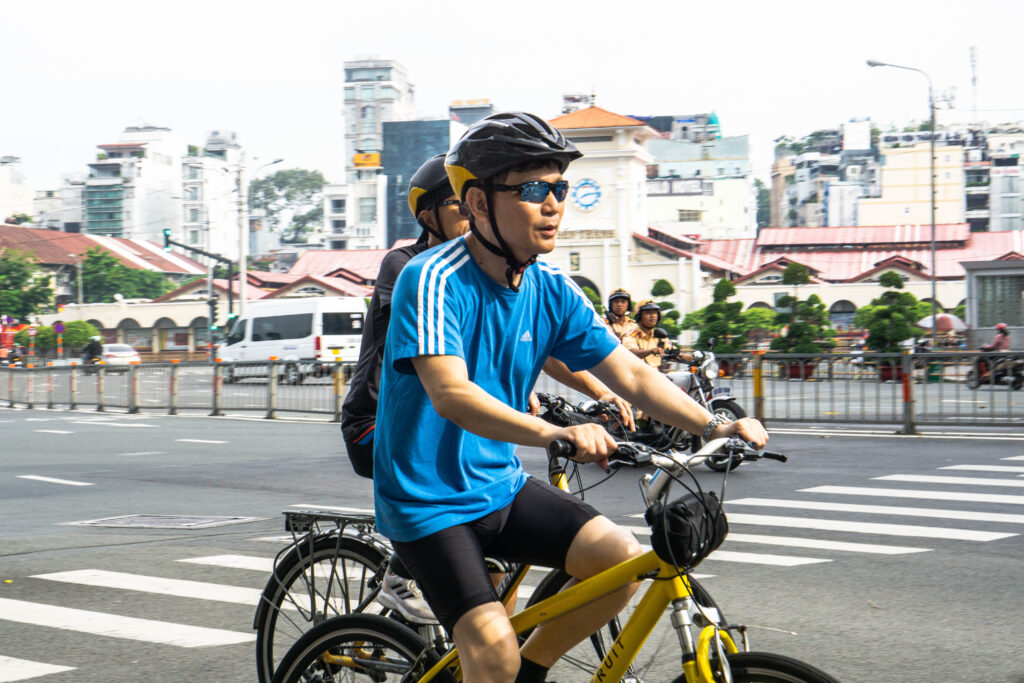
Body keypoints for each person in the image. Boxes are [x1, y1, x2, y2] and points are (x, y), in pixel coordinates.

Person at [374, 111, 768, 683]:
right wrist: (555, 433)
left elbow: (629, 375)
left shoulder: (552, 288)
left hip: (499, 487)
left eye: (558, 187)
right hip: (426, 502)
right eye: (533, 189)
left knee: (621, 562)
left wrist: (713, 427)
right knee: (491, 651)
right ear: (479, 204)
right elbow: (451, 394)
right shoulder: (431, 278)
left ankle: (529, 673)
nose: (554, 202)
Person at [340, 152, 634, 624]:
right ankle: (403, 570)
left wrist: (600, 389)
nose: (469, 217)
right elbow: (447, 357)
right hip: (376, 423)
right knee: (440, 492)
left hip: (456, 421)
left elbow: (549, 346)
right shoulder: (411, 266)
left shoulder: (506, 273)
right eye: (459, 208)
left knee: (499, 582)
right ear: (428, 215)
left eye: (560, 190)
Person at [622, 299, 677, 370]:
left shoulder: (659, 336)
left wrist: (690, 357)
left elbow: (673, 352)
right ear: (639, 316)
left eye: (654, 312)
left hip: (657, 375)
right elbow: (632, 352)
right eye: (648, 313)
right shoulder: (631, 335)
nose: (652, 316)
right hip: (637, 376)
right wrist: (651, 351)